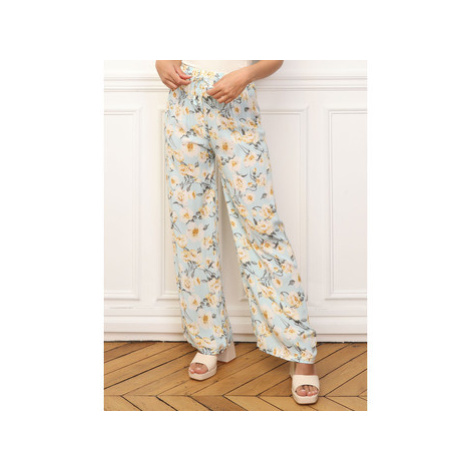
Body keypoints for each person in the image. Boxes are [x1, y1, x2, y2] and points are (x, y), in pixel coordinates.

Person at [156, 60, 320, 404]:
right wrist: (161, 58)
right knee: (190, 226)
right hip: (183, 102)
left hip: (235, 98)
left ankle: (300, 350)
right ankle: (209, 339)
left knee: (261, 226)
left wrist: (245, 75)